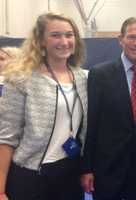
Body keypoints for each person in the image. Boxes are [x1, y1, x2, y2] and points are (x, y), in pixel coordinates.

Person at [0, 12, 87, 200]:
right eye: (55, 35)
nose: (64, 41)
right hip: (31, 175)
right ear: (40, 41)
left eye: (69, 35)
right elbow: (7, 137)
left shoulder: (81, 77)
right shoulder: (20, 79)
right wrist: (0, 190)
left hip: (69, 172)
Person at [81, 17, 136, 200]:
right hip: (107, 167)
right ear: (121, 39)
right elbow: (91, 123)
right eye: (131, 37)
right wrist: (87, 168)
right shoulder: (100, 74)